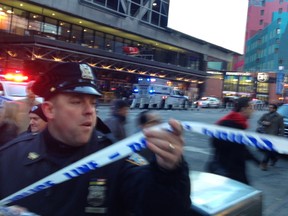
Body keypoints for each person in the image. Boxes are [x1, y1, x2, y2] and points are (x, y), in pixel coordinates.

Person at [0, 62, 191, 216]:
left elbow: (159, 207)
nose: (89, 110)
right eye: (76, 101)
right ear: (49, 110)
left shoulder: (116, 158)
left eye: (92, 102)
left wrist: (169, 173)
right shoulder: (11, 157)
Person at [205, 97, 261, 185]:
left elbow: (241, 148)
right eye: (251, 108)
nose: (253, 111)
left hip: (235, 169)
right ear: (243, 109)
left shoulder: (240, 124)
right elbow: (215, 143)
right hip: (227, 171)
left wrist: (256, 161)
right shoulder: (228, 124)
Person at [257, 103, 284, 170]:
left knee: (268, 150)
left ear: (275, 109)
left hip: (274, 136)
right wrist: (264, 123)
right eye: (269, 107)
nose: (269, 109)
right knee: (269, 150)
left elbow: (282, 127)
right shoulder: (265, 115)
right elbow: (259, 121)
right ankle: (274, 158)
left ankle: (264, 164)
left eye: (271, 107)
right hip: (265, 134)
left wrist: (281, 136)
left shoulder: (279, 117)